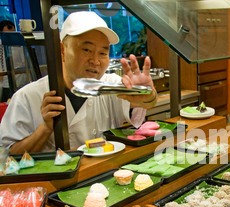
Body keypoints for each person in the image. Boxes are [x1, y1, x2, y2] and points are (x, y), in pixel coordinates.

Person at [0, 11, 157, 154]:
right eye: (86, 50)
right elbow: (9, 156)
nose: (95, 61)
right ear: (62, 50)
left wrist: (146, 94)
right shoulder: (27, 97)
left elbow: (148, 102)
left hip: (104, 178)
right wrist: (45, 128)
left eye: (103, 53)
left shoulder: (111, 86)